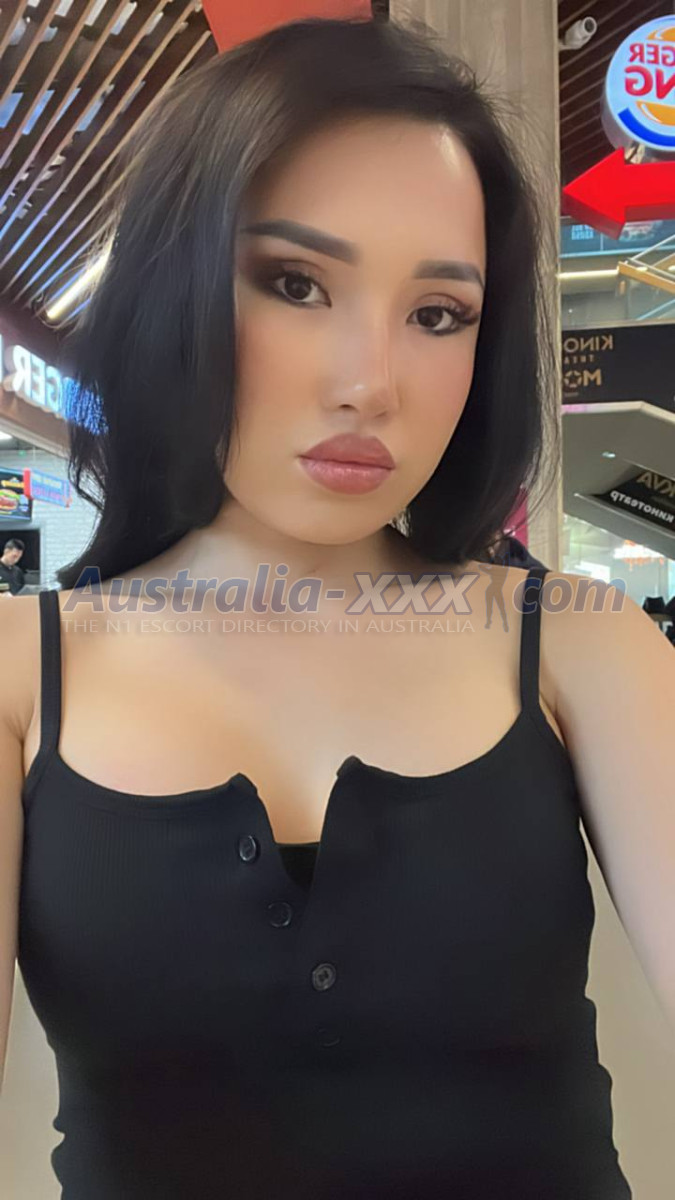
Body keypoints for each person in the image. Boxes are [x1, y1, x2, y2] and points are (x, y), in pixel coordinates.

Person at [1, 15, 673, 1200]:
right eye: (294, 284)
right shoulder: (23, 673)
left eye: (438, 314)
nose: (372, 382)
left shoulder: (577, 639)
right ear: (170, 288)